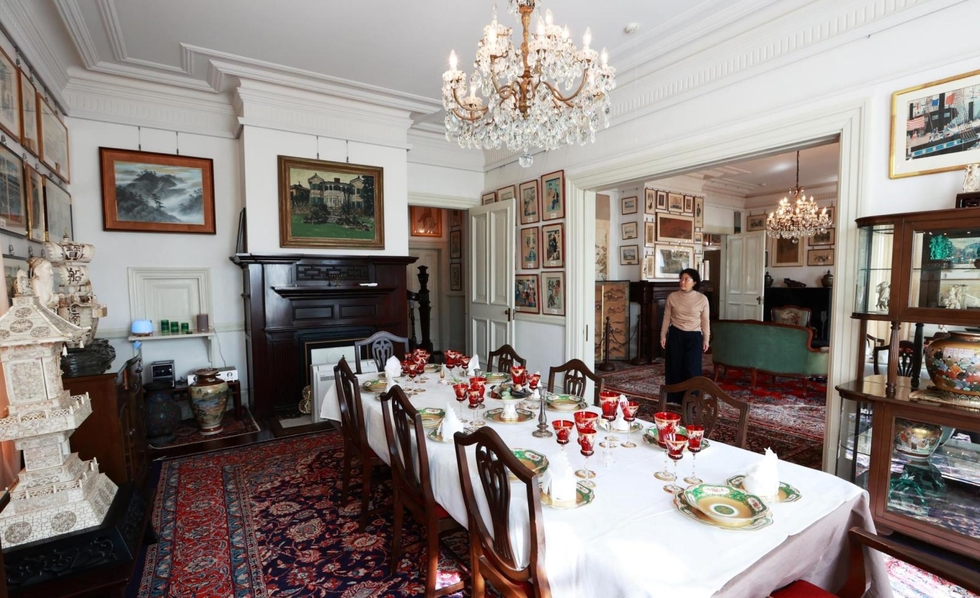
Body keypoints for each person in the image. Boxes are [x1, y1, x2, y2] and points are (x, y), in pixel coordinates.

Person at [660, 268, 710, 404]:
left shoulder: (702, 299)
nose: (682, 282)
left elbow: (705, 320)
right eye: (681, 279)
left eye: (686, 279)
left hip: (694, 336)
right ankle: (674, 397)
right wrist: (663, 335)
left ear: (694, 282)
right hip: (676, 334)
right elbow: (666, 317)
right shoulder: (672, 297)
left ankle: (692, 399)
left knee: (692, 368)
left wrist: (706, 338)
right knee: (674, 366)